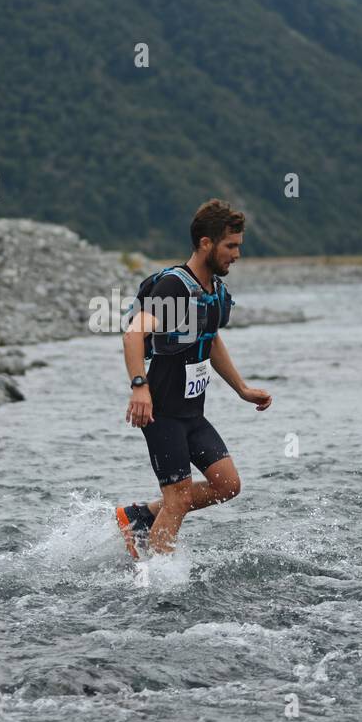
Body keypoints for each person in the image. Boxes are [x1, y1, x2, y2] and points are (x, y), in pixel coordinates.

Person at [114, 198, 272, 558]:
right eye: (231, 246)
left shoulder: (213, 291)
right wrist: (139, 388)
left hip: (193, 415)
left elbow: (210, 339)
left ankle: (137, 517)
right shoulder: (174, 286)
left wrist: (242, 389)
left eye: (239, 246)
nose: (236, 254)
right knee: (179, 498)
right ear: (206, 243)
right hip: (162, 414)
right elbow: (133, 335)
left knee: (228, 484)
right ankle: (159, 580)